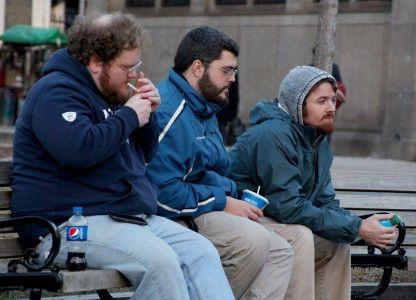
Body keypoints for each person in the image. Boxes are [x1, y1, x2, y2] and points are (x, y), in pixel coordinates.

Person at [11, 14, 234, 300]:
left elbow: (141, 156)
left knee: (201, 252)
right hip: (65, 226)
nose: (133, 75)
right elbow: (79, 149)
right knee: (161, 264)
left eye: (136, 66)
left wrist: (149, 117)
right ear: (94, 61)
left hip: (121, 216)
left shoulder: (108, 94)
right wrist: (129, 116)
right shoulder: (55, 91)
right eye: (126, 67)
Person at [146, 26, 294, 300]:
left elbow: (208, 172)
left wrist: (232, 192)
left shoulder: (204, 107)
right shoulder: (168, 111)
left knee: (281, 252)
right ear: (198, 67)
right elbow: (160, 194)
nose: (232, 79)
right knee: (254, 242)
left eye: (234, 71)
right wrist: (223, 201)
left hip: (200, 205)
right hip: (172, 216)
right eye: (226, 71)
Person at [228, 65, 396, 300]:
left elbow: (324, 202)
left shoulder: (317, 138)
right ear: (298, 104)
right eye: (322, 101)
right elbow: (288, 206)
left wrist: (359, 225)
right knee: (301, 237)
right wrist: (357, 227)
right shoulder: (274, 134)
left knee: (335, 243)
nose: (331, 108)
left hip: (275, 220)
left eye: (333, 100)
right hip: (239, 220)